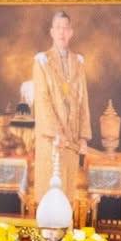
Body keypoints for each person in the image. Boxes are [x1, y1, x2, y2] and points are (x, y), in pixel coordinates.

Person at [31, 10, 92, 197]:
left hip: (71, 142)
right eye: (58, 28)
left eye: (65, 28)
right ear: (51, 32)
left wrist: (82, 137)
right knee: (50, 196)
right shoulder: (42, 61)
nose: (62, 33)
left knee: (68, 196)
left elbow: (83, 100)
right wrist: (57, 132)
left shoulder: (78, 62)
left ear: (71, 32)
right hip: (52, 141)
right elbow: (42, 101)